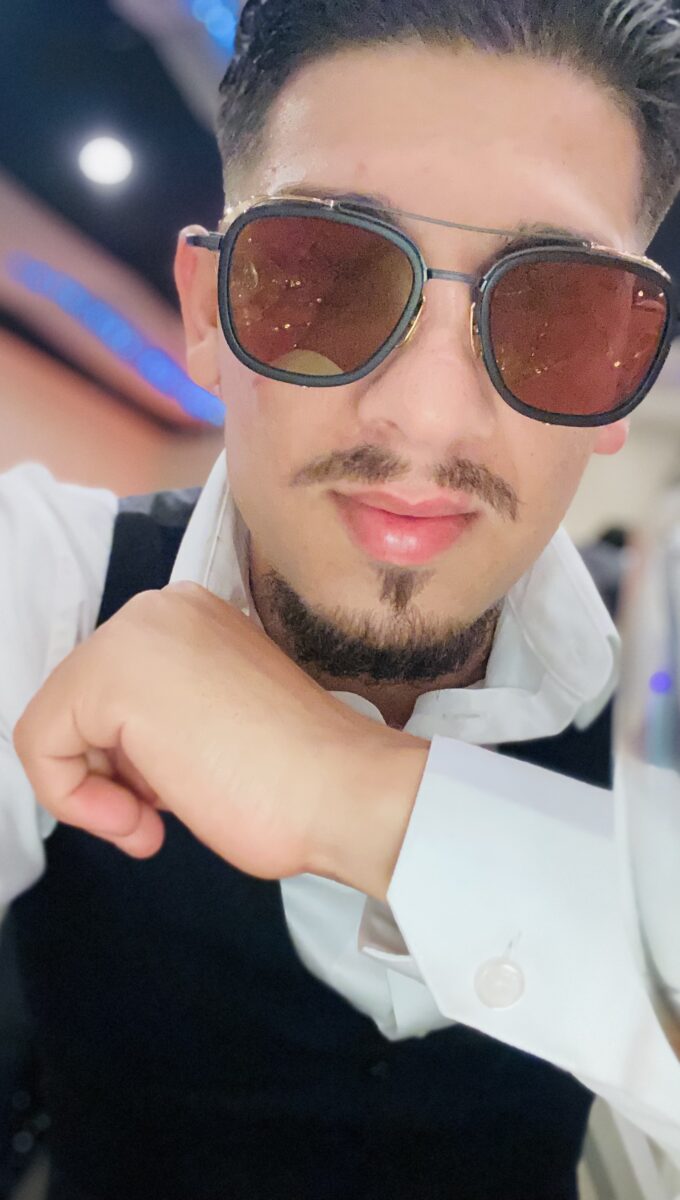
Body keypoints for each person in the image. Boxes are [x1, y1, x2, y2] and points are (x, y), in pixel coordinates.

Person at [3, 0, 680, 1196]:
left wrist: (359, 796)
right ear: (206, 313)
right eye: (321, 277)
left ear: (626, 370)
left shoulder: (660, 690)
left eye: (556, 309)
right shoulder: (45, 581)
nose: (423, 417)